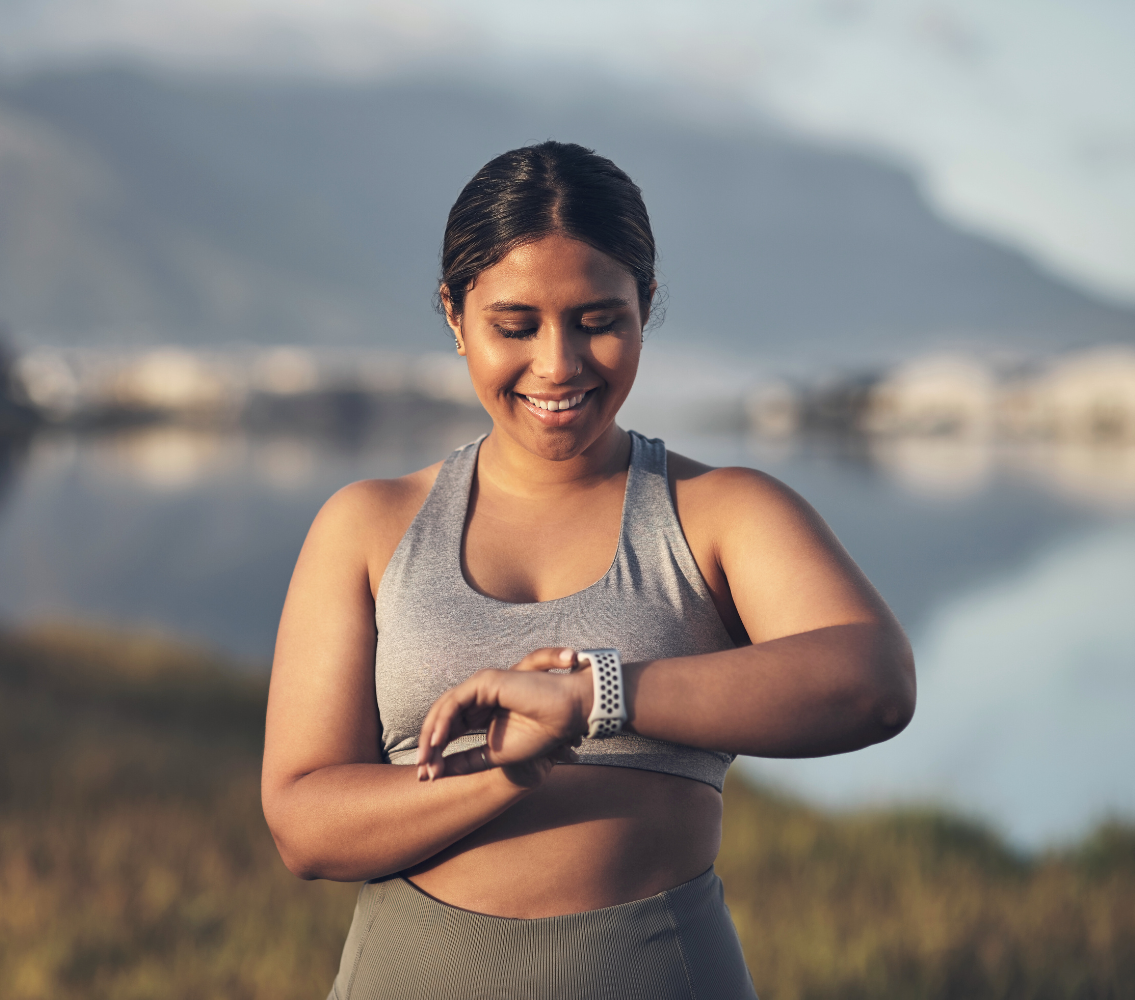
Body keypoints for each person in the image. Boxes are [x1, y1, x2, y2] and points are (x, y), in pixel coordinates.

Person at [261, 141, 916, 1000]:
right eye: (515, 325)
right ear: (455, 318)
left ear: (645, 308)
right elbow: (305, 828)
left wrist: (595, 697)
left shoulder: (721, 513)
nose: (559, 364)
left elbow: (873, 684)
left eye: (598, 320)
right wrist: (506, 770)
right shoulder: (370, 525)